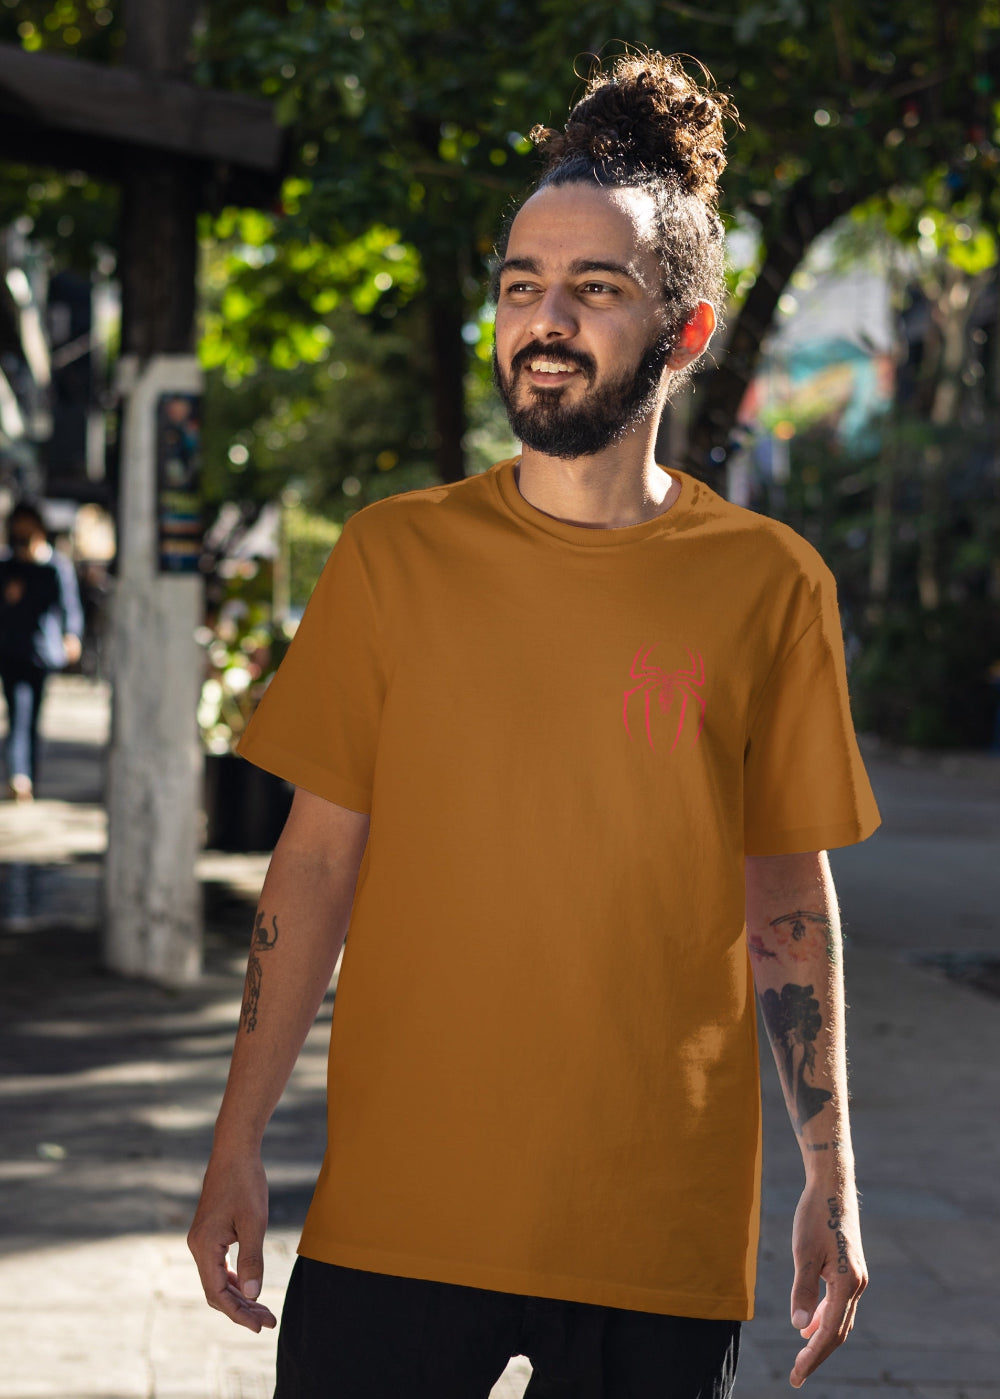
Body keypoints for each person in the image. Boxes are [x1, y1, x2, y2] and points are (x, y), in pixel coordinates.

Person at [189, 52, 880, 1399]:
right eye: (520, 287)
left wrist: (833, 1172)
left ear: (684, 331)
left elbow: (787, 887)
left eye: (593, 289)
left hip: (654, 1230)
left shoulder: (770, 582)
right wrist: (236, 1137)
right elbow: (314, 867)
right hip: (398, 1214)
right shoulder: (395, 559)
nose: (542, 319)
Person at [0, 500, 83, 801]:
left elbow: (69, 606)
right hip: (11, 651)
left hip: (42, 652)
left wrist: (71, 635)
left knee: (33, 716)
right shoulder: (7, 566)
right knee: (18, 713)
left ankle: (28, 773)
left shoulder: (55, 566)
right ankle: (19, 775)